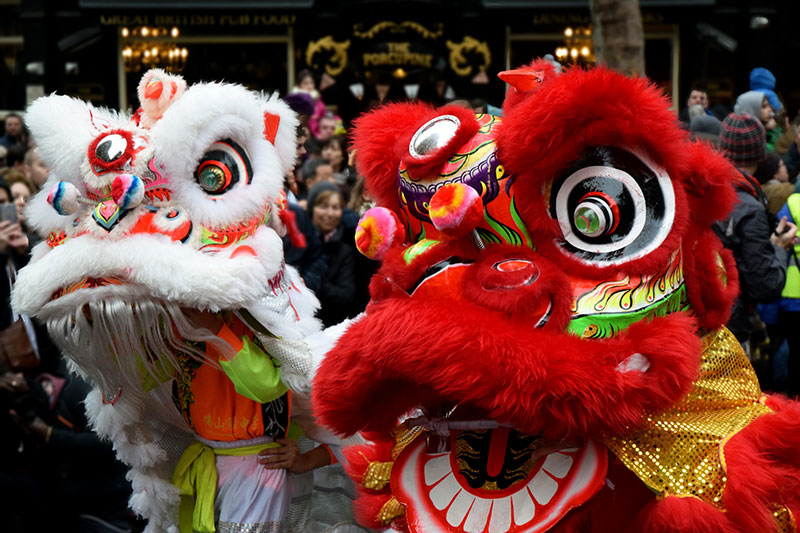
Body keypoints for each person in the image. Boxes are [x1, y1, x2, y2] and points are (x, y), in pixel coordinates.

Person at [713, 113, 796, 349]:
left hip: (698, 324)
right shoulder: (749, 207)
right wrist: (779, 248)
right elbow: (766, 285)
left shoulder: (704, 190)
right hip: (731, 334)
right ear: (760, 155)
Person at [306, 182, 357, 327]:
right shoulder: (297, 239)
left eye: (335, 208)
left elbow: (346, 295)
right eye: (323, 206)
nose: (329, 213)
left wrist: (313, 283)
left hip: (326, 326)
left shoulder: (345, 250)